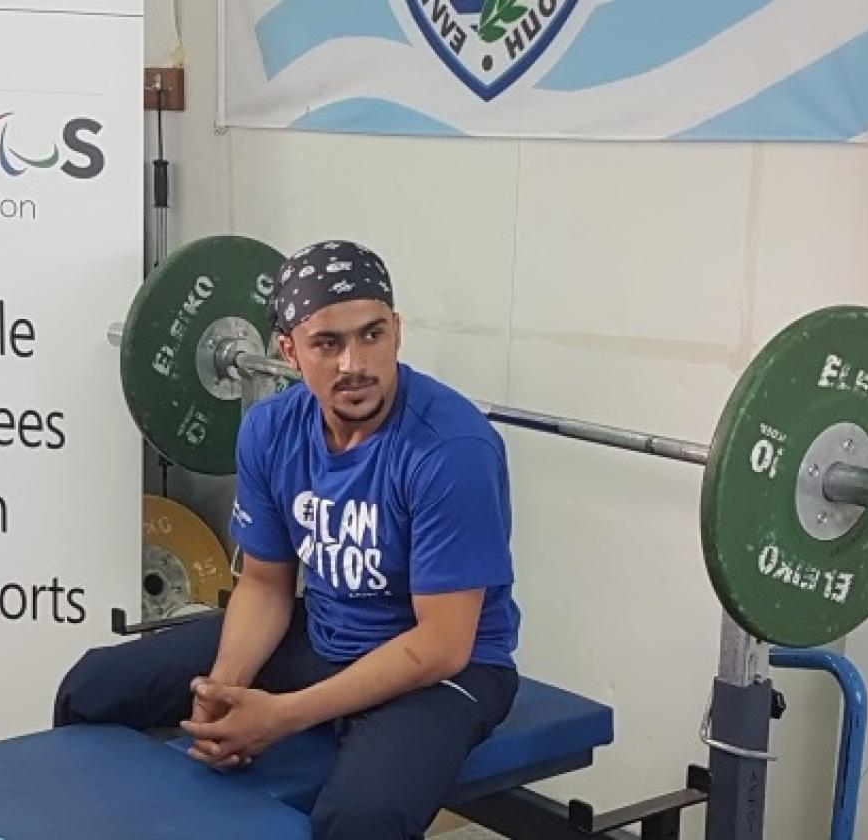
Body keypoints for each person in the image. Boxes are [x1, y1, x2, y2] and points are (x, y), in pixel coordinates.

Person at [54, 240, 521, 840]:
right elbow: (266, 584)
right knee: (91, 689)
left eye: (372, 334)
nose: (355, 362)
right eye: (328, 342)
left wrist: (280, 716)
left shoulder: (451, 449)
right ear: (289, 351)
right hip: (323, 631)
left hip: (443, 670)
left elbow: (443, 643)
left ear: (398, 332)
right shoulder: (270, 430)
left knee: (360, 820)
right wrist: (225, 691)